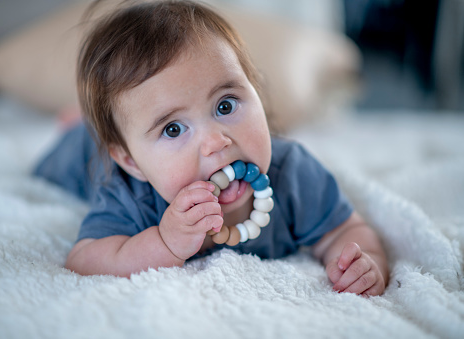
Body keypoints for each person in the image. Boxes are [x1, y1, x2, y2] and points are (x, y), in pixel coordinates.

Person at [35, 0, 388, 296]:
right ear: (133, 162)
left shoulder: (292, 173)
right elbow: (83, 260)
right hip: (84, 153)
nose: (216, 142)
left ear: (257, 93)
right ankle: (77, 122)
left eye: (226, 105)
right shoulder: (131, 193)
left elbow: (343, 230)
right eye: (173, 129)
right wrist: (165, 242)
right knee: (74, 149)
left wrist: (362, 263)